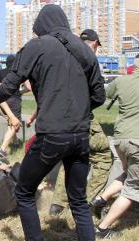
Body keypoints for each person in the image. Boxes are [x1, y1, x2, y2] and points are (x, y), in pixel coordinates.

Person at [0, 5, 105, 241]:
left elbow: (9, 86)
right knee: (78, 200)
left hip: (53, 134)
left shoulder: (37, 46)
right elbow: (100, 96)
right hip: (81, 135)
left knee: (24, 191)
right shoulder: (85, 50)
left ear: (41, 26)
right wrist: (79, 111)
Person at [90, 52, 139, 238]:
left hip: (120, 139)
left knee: (128, 173)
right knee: (135, 187)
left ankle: (101, 199)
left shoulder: (121, 81)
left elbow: (103, 94)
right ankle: (103, 229)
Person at [42, 29, 112, 217]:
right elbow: (99, 95)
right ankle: (89, 201)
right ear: (95, 43)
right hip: (82, 117)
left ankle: (57, 204)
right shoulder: (89, 58)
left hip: (60, 117)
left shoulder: (64, 56)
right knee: (104, 156)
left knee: (70, 158)